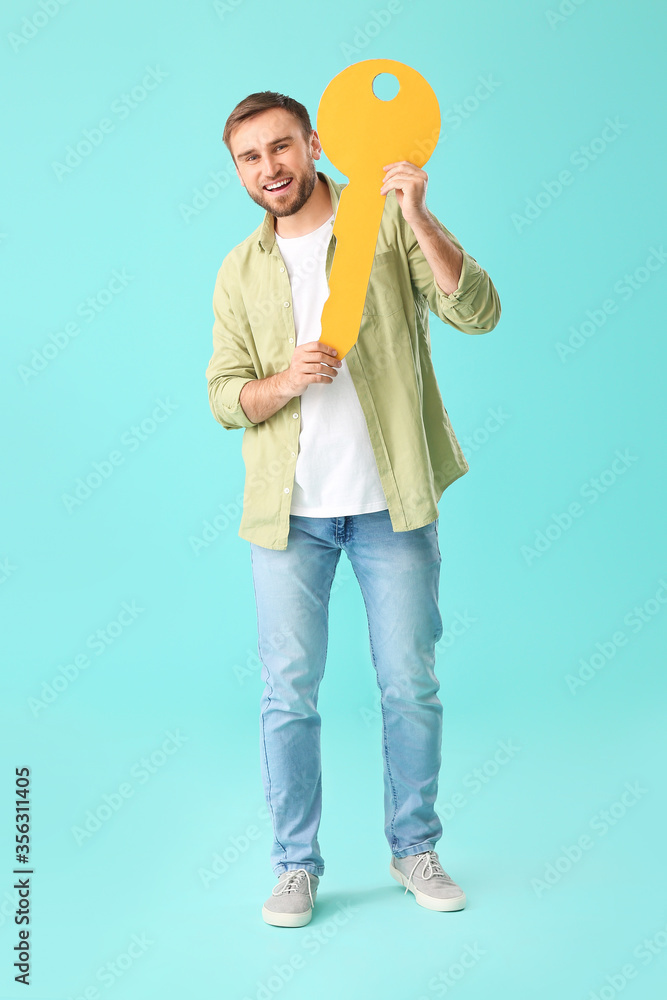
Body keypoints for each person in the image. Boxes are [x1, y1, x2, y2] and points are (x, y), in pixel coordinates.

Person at [206, 90, 501, 928]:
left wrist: (420, 211)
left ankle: (414, 849)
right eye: (249, 157)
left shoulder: (379, 224)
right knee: (288, 693)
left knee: (410, 684)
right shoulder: (239, 270)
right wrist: (283, 382)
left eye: (281, 148)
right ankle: (294, 866)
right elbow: (226, 396)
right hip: (287, 518)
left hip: (389, 507)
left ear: (314, 144)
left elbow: (475, 311)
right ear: (238, 169)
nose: (269, 167)